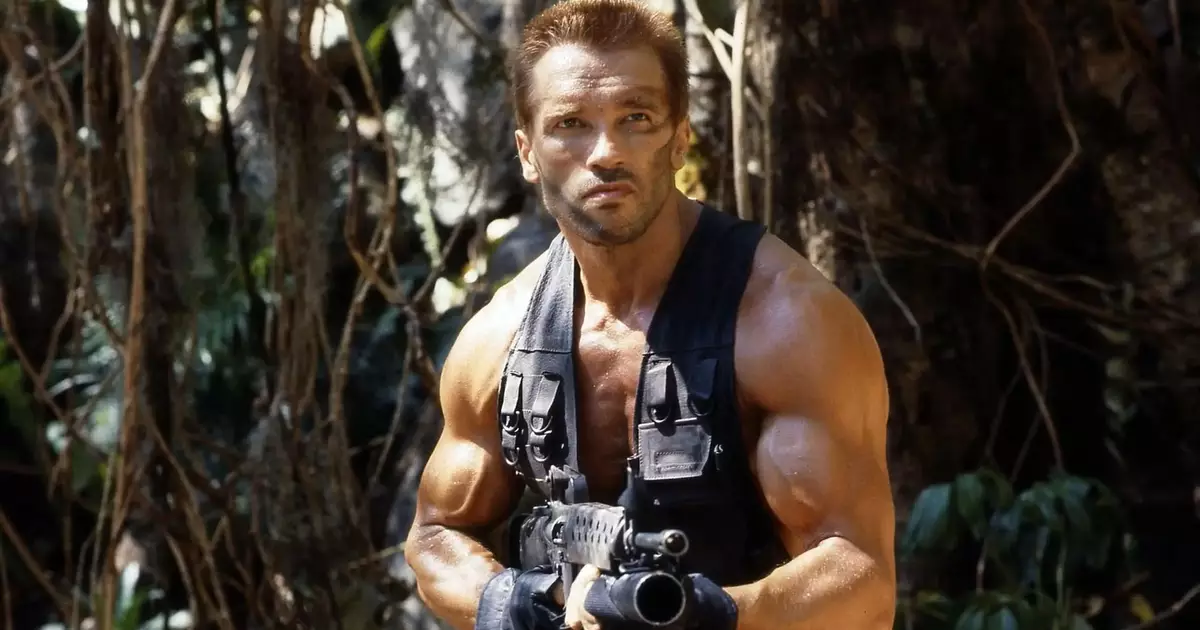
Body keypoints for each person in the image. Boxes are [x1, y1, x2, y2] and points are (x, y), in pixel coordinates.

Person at [404, 1, 896, 629]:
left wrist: (709, 614)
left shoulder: (786, 323)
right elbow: (435, 536)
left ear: (679, 138)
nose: (606, 153)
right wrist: (525, 605)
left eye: (635, 118)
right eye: (571, 124)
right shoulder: (501, 338)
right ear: (527, 152)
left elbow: (865, 577)